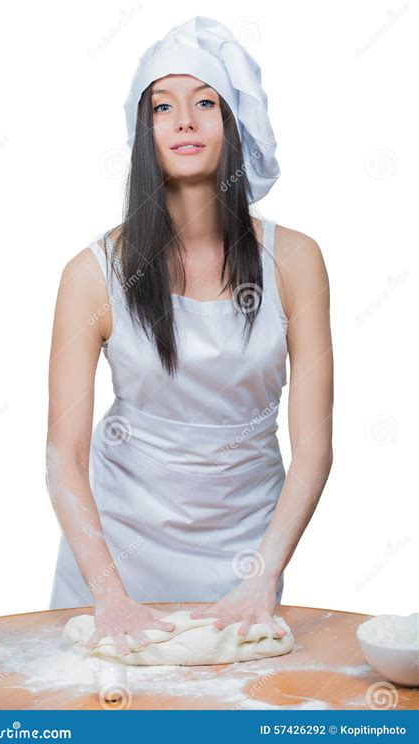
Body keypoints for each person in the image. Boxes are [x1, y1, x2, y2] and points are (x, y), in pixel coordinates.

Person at [45, 17, 333, 657]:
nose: (184, 121)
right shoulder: (91, 274)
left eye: (206, 103)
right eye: (163, 106)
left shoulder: (295, 261)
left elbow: (313, 447)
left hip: (242, 562)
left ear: (235, 126)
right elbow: (63, 458)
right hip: (113, 560)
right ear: (143, 133)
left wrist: (261, 580)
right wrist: (109, 595)